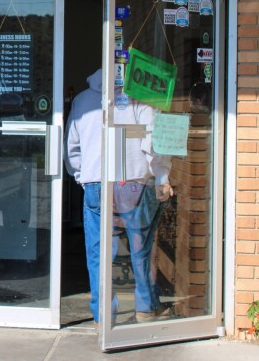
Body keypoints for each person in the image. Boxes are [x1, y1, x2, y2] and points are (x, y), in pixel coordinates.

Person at [66, 68, 173, 326]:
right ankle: (146, 307)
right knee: (140, 247)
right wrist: (161, 177)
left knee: (98, 251)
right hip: (134, 180)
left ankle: (103, 314)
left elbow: (72, 148)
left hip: (96, 182)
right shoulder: (138, 98)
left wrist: (83, 175)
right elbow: (153, 141)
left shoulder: (82, 101)